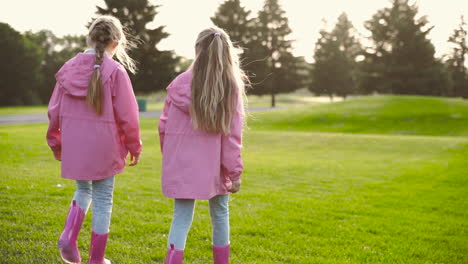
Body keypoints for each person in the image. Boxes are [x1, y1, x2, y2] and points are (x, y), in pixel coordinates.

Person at [46, 15, 142, 264]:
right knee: (102, 199)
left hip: (75, 144)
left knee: (82, 189)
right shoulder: (116, 71)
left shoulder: (68, 68)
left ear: (90, 37)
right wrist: (134, 146)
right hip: (105, 147)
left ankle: (69, 235)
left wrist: (57, 142)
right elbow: (128, 115)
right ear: (117, 42)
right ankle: (96, 260)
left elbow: (53, 110)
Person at [158, 27, 247, 264]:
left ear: (197, 50)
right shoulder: (230, 87)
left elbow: (163, 127)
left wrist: (171, 156)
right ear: (227, 53)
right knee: (220, 213)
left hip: (182, 164)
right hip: (215, 166)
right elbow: (232, 137)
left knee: (181, 217)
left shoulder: (178, 83)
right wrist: (234, 172)